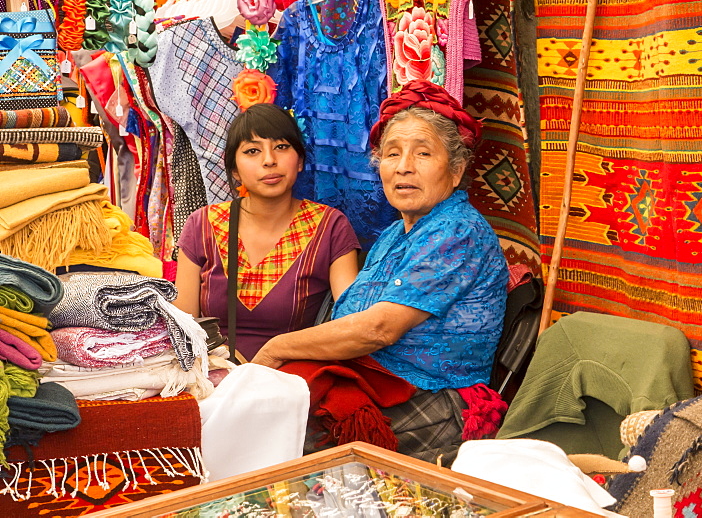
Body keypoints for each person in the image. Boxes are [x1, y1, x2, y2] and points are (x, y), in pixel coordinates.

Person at [251, 81, 508, 460]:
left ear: (455, 171)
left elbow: (378, 328)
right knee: (264, 414)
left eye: (423, 154)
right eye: (392, 154)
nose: (404, 166)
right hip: (377, 382)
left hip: (435, 398)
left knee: (284, 441)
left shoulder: (457, 230)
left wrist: (274, 350)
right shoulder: (396, 233)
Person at [174, 104, 361, 361]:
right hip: (216, 378)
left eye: (282, 147)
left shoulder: (330, 226)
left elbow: (351, 325)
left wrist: (277, 353)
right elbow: (184, 326)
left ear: (300, 160)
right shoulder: (202, 224)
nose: (269, 160)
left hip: (295, 379)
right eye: (252, 151)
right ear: (235, 170)